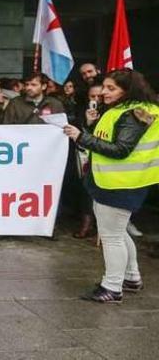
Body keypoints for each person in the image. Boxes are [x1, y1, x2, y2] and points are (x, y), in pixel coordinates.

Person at [63, 69, 159, 303]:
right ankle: (130, 277)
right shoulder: (128, 110)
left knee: (112, 236)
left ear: (128, 90)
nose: (103, 92)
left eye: (111, 88)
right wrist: (91, 125)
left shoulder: (135, 113)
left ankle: (112, 287)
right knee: (118, 232)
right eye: (104, 87)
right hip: (115, 182)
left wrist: (81, 136)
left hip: (120, 184)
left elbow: (120, 149)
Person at [72, 82, 106, 239]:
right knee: (86, 188)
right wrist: (88, 123)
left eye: (100, 96)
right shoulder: (82, 111)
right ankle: (87, 222)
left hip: (108, 157)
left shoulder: (113, 112)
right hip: (87, 156)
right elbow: (79, 134)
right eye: (93, 96)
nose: (97, 99)